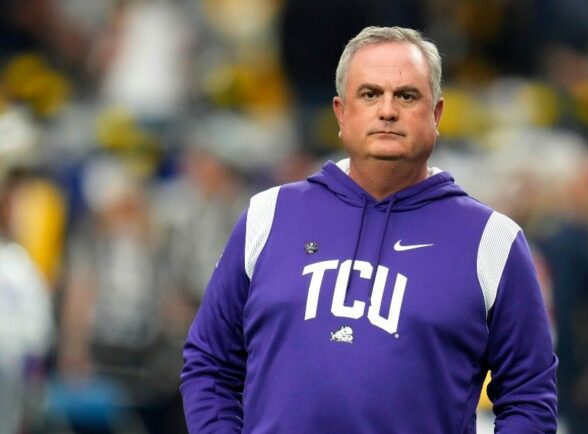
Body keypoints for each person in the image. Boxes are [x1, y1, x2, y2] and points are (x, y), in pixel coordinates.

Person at [180, 26, 558, 433]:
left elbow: (529, 399)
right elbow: (209, 363)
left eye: (407, 95)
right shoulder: (268, 215)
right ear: (341, 113)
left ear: (437, 114)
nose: (388, 110)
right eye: (370, 94)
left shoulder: (492, 241)